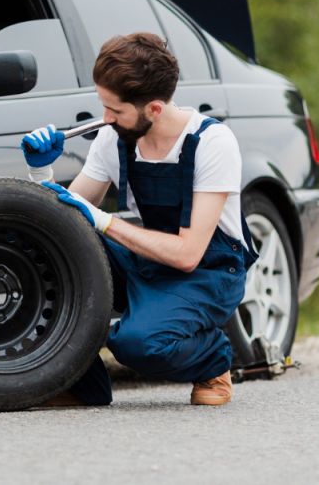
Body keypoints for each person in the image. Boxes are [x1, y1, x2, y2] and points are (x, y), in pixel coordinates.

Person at [21, 32, 257, 406]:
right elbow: (65, 218)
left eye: (115, 110)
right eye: (104, 106)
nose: (105, 118)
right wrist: (41, 173)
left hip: (208, 272)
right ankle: (81, 385)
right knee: (49, 248)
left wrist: (103, 221)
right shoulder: (114, 137)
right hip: (149, 256)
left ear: (155, 110)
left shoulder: (212, 142)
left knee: (137, 344)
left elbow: (188, 254)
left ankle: (213, 359)